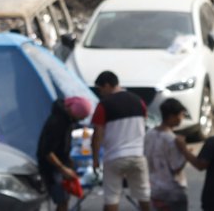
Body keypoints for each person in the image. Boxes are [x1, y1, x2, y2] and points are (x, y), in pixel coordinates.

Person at [91, 71, 151, 211]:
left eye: (100, 89)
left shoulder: (103, 105)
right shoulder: (138, 101)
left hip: (114, 157)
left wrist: (95, 160)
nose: (100, 93)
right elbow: (143, 125)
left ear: (107, 85)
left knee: (112, 197)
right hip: (138, 155)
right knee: (144, 195)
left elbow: (97, 135)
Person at [38, 96, 94, 211]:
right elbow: (47, 151)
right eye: (81, 117)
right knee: (62, 200)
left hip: (60, 163)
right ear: (75, 112)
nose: (81, 120)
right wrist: (63, 168)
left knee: (64, 199)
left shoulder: (66, 119)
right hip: (52, 167)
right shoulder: (58, 123)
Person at [144, 99, 190, 211]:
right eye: (181, 115)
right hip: (171, 192)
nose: (182, 118)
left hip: (153, 188)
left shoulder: (149, 134)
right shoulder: (172, 140)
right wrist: (185, 152)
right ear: (172, 116)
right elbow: (176, 167)